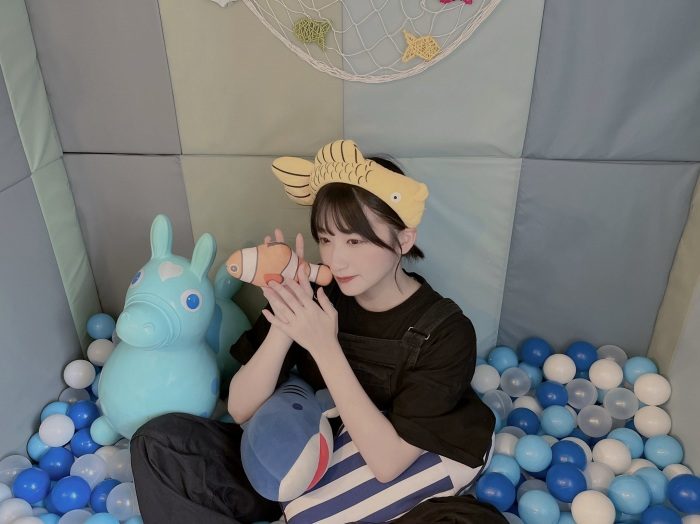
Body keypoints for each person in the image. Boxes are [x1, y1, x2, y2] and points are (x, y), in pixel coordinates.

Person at [131, 139, 499, 524]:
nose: (336, 259)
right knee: (157, 444)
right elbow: (240, 408)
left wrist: (324, 347)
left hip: (371, 470)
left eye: (354, 241)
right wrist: (286, 322)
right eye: (325, 239)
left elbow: (388, 463)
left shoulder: (446, 332)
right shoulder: (313, 290)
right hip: (291, 454)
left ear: (404, 239)